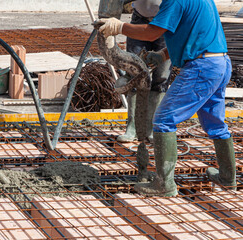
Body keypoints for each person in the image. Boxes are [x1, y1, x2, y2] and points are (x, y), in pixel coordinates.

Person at [98, 0, 235, 196]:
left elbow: (152, 32)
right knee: (215, 123)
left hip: (201, 68)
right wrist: (163, 55)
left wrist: (119, 27)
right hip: (219, 63)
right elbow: (192, 32)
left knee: (163, 120)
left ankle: (164, 185)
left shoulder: (175, 0)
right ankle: (228, 177)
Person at [117, 0, 171, 143]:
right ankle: (133, 127)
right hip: (140, 18)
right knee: (135, 74)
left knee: (161, 77)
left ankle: (152, 128)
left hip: (166, 19)